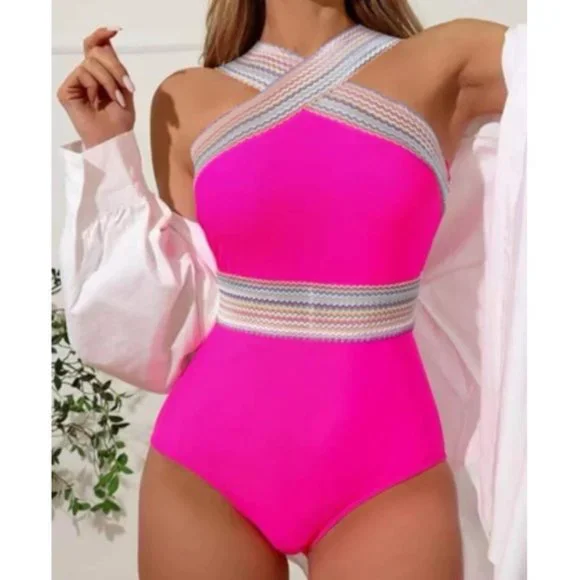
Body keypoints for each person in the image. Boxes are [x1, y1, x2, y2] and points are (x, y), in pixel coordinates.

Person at [56, 1, 526, 579]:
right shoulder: (185, 96)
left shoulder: (451, 60)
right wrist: (107, 149)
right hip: (205, 468)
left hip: (387, 470)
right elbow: (183, 304)